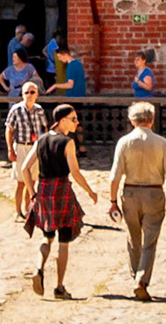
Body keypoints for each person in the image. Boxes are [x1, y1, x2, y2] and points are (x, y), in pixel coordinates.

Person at [108, 100, 166, 303]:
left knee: (133, 239)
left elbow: (114, 176)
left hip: (130, 193)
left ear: (132, 120)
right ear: (152, 120)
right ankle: (142, 280)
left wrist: (113, 201)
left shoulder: (124, 142)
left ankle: (135, 277)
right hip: (154, 193)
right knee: (150, 240)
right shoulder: (161, 142)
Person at [26, 104, 97, 300]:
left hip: (44, 191)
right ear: (62, 120)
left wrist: (33, 193)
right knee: (63, 242)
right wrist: (90, 191)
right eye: (73, 119)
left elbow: (25, 168)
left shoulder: (40, 140)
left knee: (47, 237)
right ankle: (59, 287)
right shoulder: (68, 142)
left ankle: (38, 269)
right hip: (62, 191)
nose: (77, 122)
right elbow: (75, 172)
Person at [5, 79, 48, 169]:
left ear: (36, 94)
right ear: (22, 95)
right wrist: (10, 149)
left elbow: (44, 128)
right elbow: (9, 130)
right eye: (26, 92)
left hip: (35, 146)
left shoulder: (39, 110)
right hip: (21, 146)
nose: (29, 95)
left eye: (32, 92)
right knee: (20, 180)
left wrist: (44, 146)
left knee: (33, 177)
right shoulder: (16, 109)